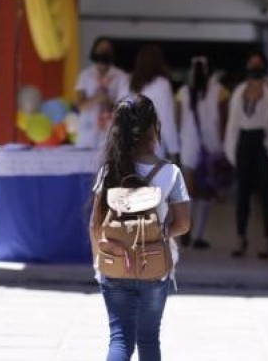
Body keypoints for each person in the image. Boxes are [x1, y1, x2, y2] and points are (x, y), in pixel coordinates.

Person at [89, 94, 191, 361]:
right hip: (154, 265)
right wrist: (160, 233)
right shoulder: (170, 173)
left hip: (115, 263)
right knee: (148, 339)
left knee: (120, 339)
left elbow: (95, 224)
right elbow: (183, 224)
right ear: (154, 127)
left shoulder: (110, 170)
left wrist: (99, 261)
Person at [223, 52, 268, 259]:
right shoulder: (240, 90)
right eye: (251, 64)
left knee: (266, 192)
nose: (254, 68)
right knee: (242, 193)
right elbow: (233, 120)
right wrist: (230, 146)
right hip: (244, 141)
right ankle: (240, 237)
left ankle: (267, 238)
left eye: (258, 64)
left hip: (264, 142)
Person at [176, 56, 228, 249]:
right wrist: (224, 146)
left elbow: (177, 120)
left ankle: (185, 229)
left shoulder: (182, 92)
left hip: (188, 144)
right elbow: (224, 120)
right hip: (212, 146)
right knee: (207, 190)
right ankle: (199, 236)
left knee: (188, 190)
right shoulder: (220, 91)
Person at [123, 44, 180, 162]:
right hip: (152, 149)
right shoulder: (161, 84)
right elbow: (166, 120)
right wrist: (173, 150)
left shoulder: (127, 84)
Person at [75, 37, 129, 149]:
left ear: (113, 53)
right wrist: (98, 98)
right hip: (87, 134)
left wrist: (107, 100)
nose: (104, 52)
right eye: (101, 49)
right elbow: (80, 106)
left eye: (107, 50)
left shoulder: (121, 77)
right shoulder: (85, 75)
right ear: (94, 51)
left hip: (112, 135)